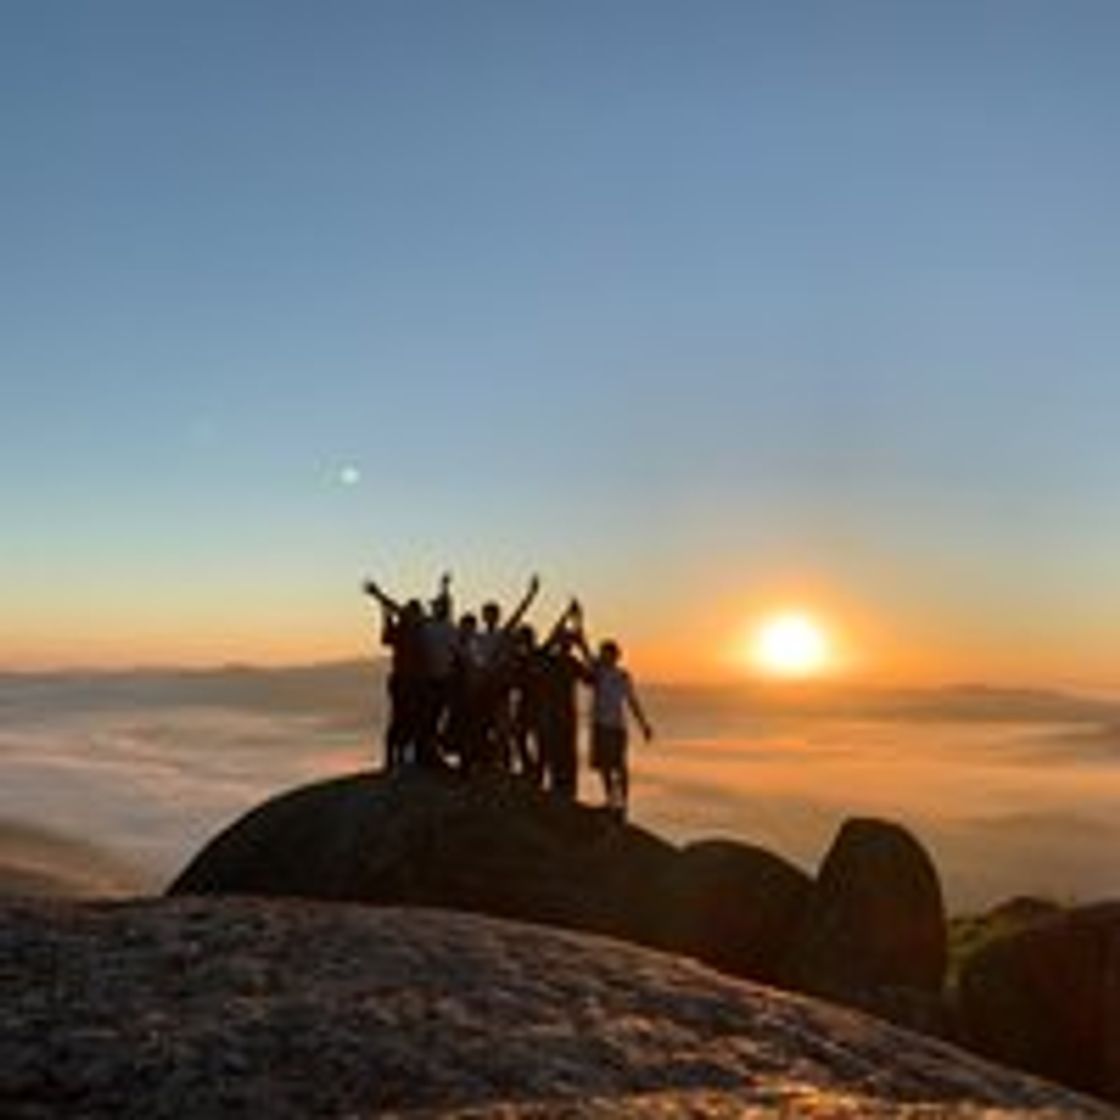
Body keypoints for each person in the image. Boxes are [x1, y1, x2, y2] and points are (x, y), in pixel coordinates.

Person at [581, 635, 653, 820]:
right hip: (600, 725)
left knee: (619, 766)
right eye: (603, 653)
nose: (604, 657)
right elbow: (587, 658)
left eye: (608, 653)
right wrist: (580, 632)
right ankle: (610, 801)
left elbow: (632, 701)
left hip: (617, 727)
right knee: (604, 766)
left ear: (615, 656)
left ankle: (623, 804)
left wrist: (644, 724)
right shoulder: (597, 672)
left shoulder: (623, 676)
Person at [361, 580, 425, 769]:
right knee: (402, 717)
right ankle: (395, 757)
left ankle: (398, 757)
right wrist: (380, 601)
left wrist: (379, 599)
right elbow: (387, 636)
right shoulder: (410, 628)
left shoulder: (411, 628)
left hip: (408, 680)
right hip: (405, 680)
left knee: (406, 718)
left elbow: (387, 635)